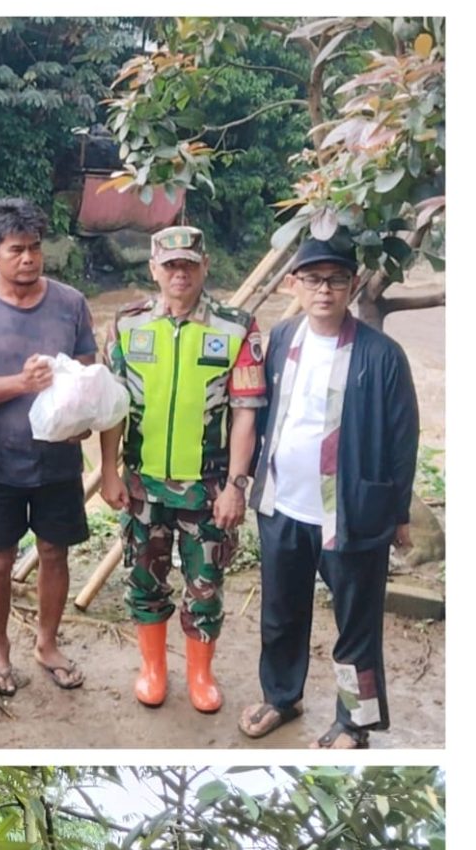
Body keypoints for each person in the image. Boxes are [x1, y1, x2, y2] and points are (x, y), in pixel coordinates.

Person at [239, 231, 419, 748]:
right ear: (294, 284)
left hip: (351, 514)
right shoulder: (281, 339)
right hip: (283, 505)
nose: (324, 290)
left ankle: (354, 722)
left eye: (336, 279)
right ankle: (281, 696)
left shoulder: (381, 355)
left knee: (355, 628)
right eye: (313, 279)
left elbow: (403, 436)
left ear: (353, 284)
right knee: (280, 613)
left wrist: (398, 512)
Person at [100, 224, 266, 712]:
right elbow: (110, 407)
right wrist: (108, 471)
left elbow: (246, 414)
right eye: (170, 265)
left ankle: (200, 673)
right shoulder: (127, 325)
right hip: (142, 485)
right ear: (153, 269)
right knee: (144, 580)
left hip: (209, 489)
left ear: (204, 267)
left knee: (206, 585)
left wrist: (236, 485)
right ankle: (153, 668)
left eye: (189, 265)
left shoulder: (236, 328)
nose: (179, 274)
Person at [0, 197, 97, 695]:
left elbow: (84, 373)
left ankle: (47, 643)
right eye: (16, 250)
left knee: (55, 552)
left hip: (58, 457)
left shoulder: (71, 303)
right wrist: (22, 384)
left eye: (35, 248)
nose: (28, 259)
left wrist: (82, 416)